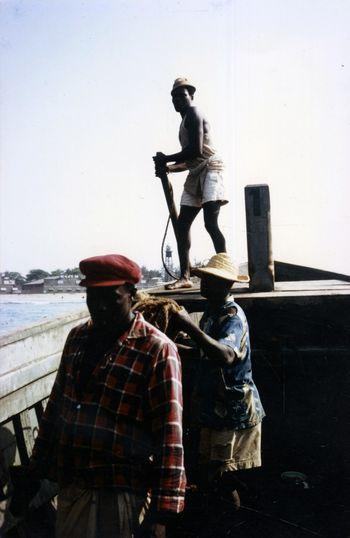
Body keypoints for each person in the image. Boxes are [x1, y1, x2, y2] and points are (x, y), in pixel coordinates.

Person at [30, 254, 186, 538]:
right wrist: (36, 468)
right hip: (73, 485)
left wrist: (161, 514)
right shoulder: (76, 338)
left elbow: (170, 436)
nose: (100, 307)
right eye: (92, 297)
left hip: (120, 492)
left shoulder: (157, 349)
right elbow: (55, 409)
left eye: (110, 297)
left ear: (132, 294)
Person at [171, 253, 265, 509]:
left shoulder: (233, 316)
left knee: (224, 478)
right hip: (214, 410)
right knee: (213, 474)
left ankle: (232, 522)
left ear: (227, 285)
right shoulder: (212, 312)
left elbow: (225, 355)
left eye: (212, 280)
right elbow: (205, 352)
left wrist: (189, 327)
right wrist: (172, 346)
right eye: (204, 278)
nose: (205, 284)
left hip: (232, 413)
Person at [153, 77, 228, 291]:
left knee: (210, 223)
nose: (178, 100)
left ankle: (225, 271)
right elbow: (188, 162)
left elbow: (196, 150)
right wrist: (167, 168)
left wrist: (166, 158)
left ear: (191, 96)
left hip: (211, 168)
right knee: (182, 225)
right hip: (196, 171)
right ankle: (185, 276)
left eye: (182, 95)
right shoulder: (183, 122)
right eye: (174, 97)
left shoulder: (194, 113)